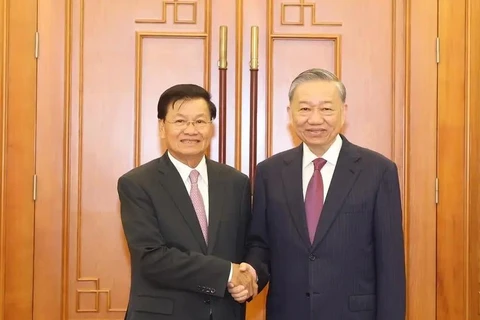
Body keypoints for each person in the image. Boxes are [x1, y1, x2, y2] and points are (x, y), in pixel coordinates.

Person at [240, 68, 406, 319]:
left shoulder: (378, 171)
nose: (315, 119)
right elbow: (261, 244)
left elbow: (390, 262)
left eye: (326, 109)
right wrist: (251, 274)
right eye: (305, 109)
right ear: (290, 113)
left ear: (343, 112)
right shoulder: (270, 172)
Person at [117, 84, 257, 320]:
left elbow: (250, 244)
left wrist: (250, 276)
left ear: (211, 128)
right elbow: (151, 258)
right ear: (162, 127)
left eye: (200, 122)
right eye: (180, 121)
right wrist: (226, 273)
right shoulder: (137, 184)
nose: (191, 130)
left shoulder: (236, 182)